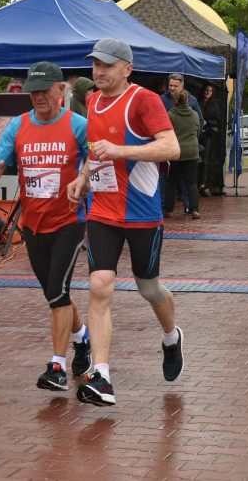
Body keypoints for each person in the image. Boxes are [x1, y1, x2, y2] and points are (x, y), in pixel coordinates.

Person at [67, 38, 184, 406]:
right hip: (102, 211)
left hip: (142, 214)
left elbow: (171, 147)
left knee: (149, 288)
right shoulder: (92, 100)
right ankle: (101, 376)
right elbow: (96, 149)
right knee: (99, 287)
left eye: (107, 64)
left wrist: (123, 151)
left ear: (127, 69)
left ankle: (171, 337)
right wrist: (83, 177)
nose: (99, 71)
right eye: (95, 64)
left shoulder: (144, 100)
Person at [0, 61, 92, 392]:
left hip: (68, 222)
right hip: (32, 224)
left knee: (58, 291)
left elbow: (96, 159)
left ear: (61, 90)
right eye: (34, 91)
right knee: (54, 293)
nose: (39, 96)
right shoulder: (18, 126)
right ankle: (82, 339)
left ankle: (57, 366)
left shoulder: (78, 125)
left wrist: (85, 179)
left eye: (46, 89)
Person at [165, 89, 201, 219]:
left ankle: (168, 210)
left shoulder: (171, 115)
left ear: (174, 100)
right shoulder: (195, 115)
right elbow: (198, 131)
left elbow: (167, 132)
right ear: (187, 100)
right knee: (191, 183)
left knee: (171, 182)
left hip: (176, 152)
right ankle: (195, 210)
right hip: (192, 152)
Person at [197, 83, 221, 197]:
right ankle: (192, 186)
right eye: (206, 90)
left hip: (206, 134)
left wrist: (207, 122)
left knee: (204, 161)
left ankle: (202, 185)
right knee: (194, 160)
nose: (208, 92)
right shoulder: (197, 102)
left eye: (210, 91)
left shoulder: (214, 105)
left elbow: (217, 120)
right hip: (195, 134)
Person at [0, 79, 23, 151]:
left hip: (18, 144)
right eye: (13, 92)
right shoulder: (1, 105)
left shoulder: (24, 107)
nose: (15, 94)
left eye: (18, 92)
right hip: (1, 144)